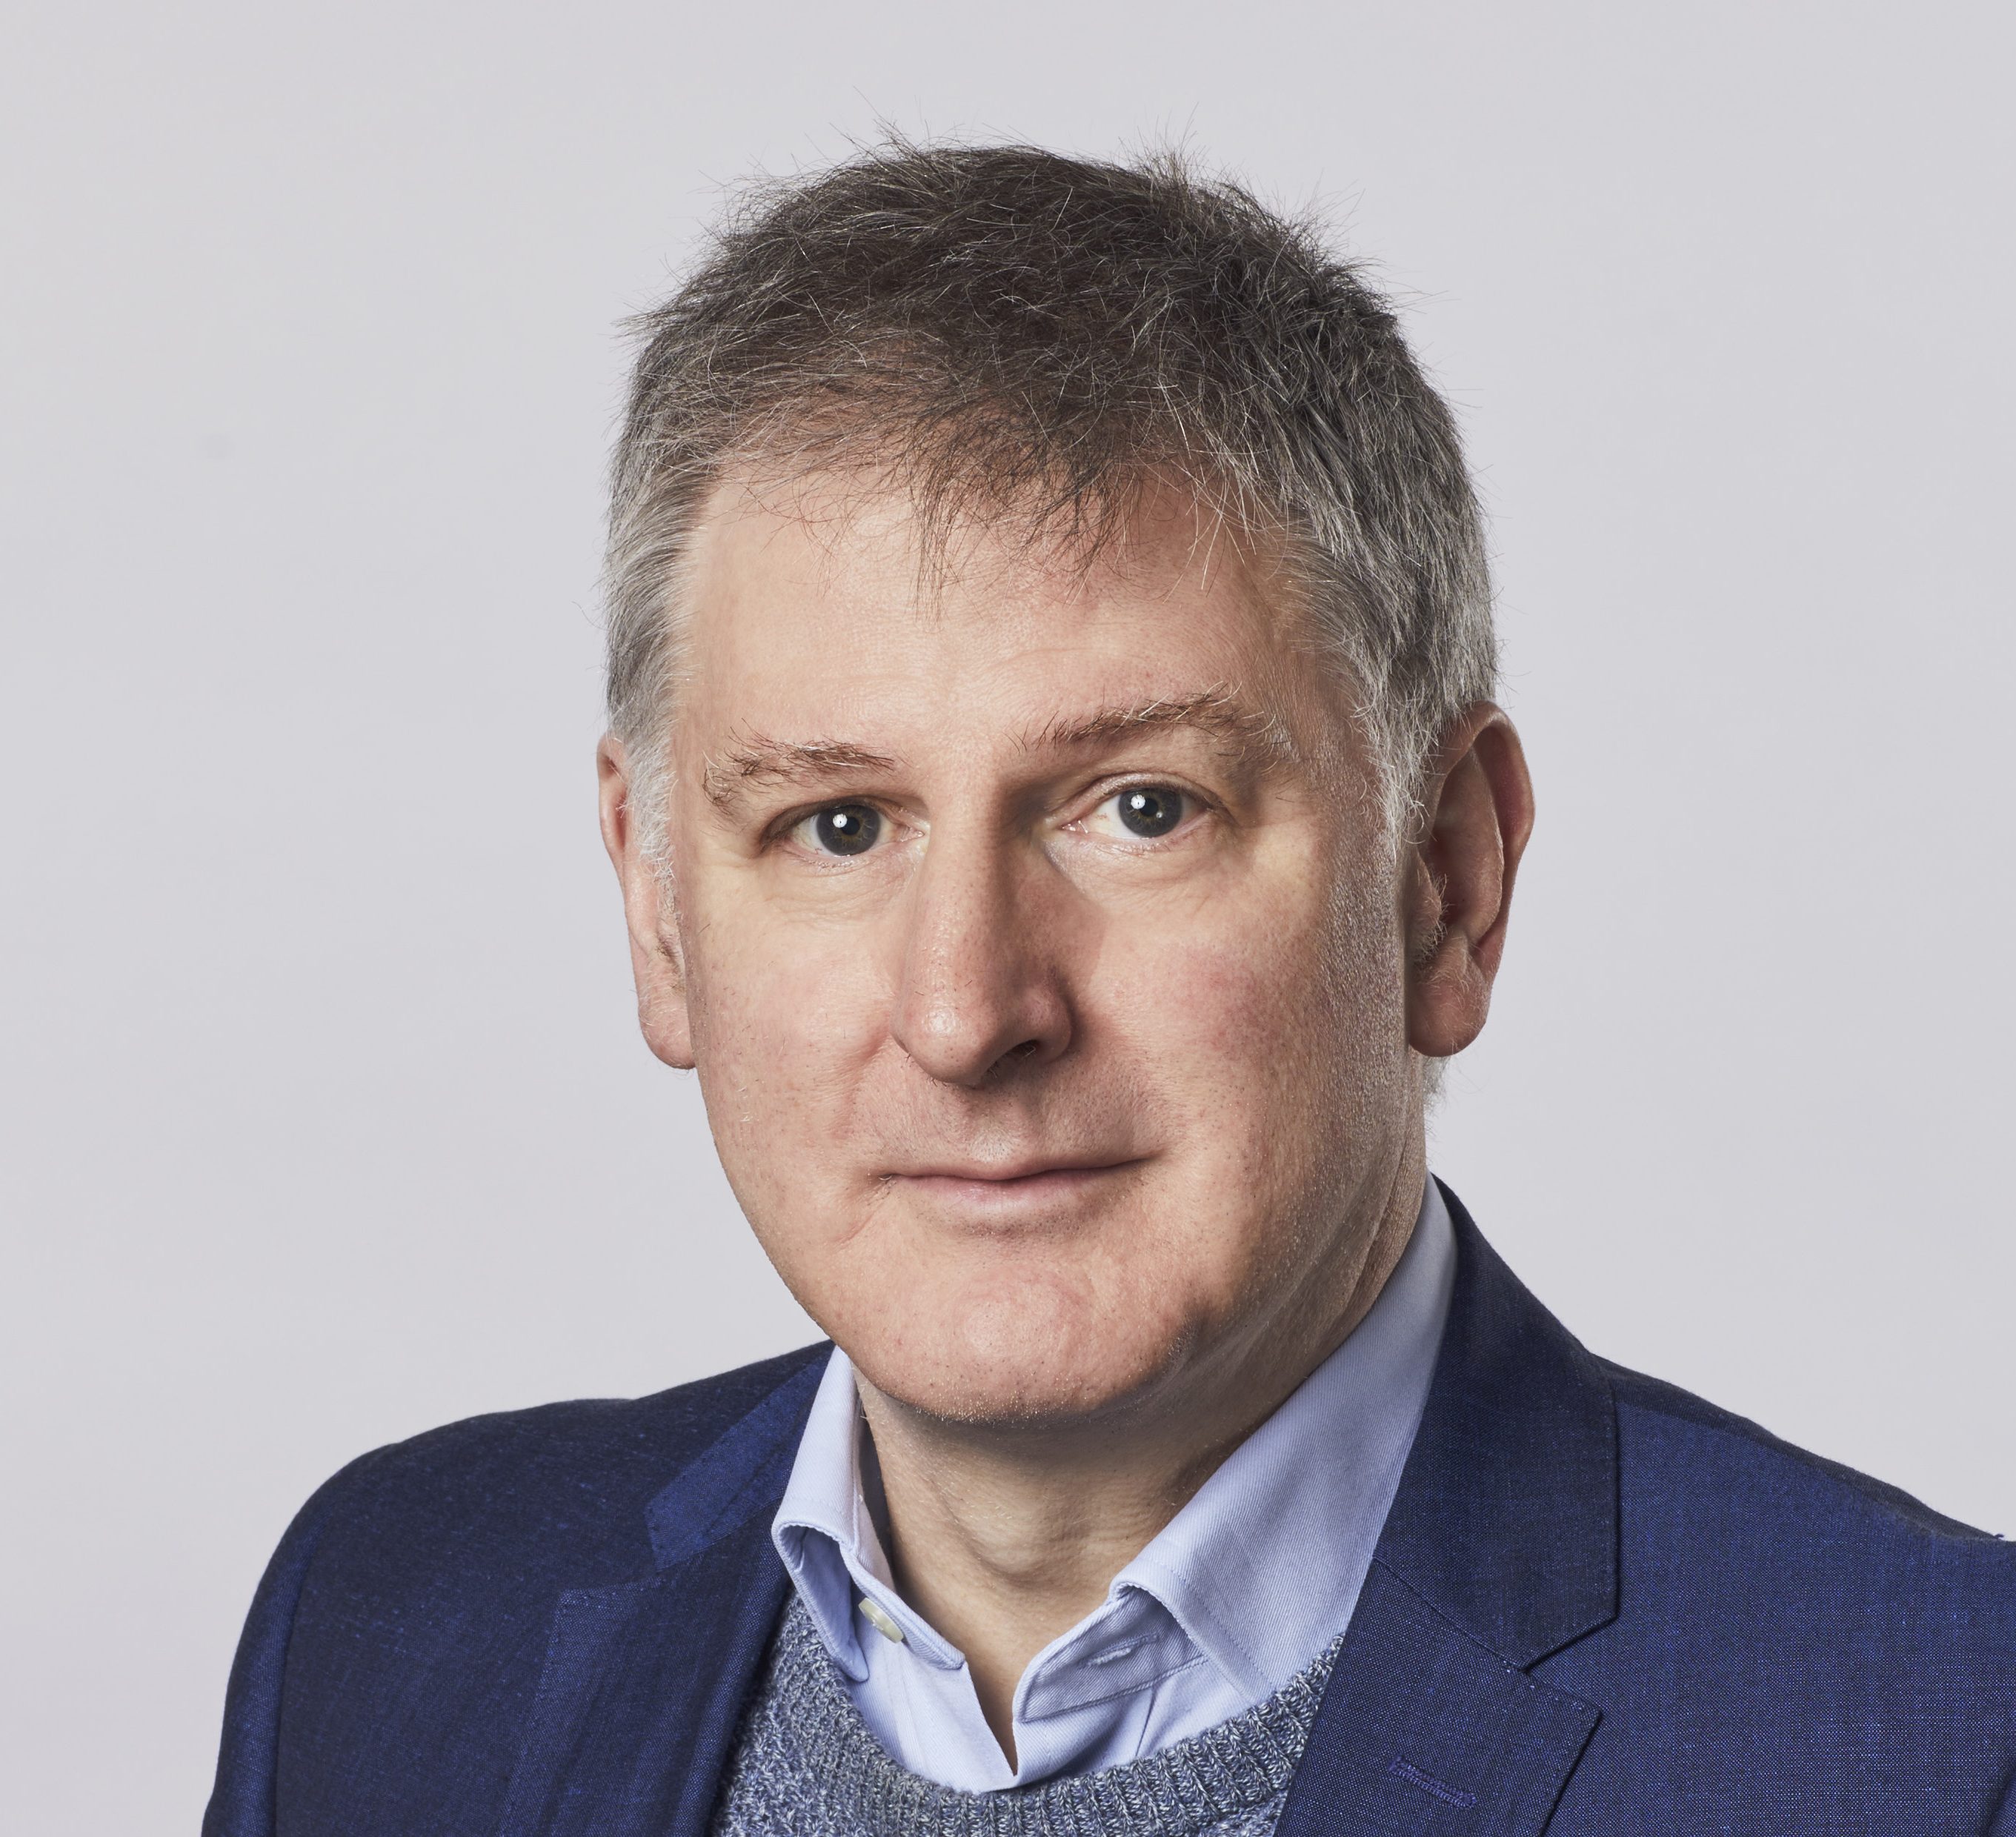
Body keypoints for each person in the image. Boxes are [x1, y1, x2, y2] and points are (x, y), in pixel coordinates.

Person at [202, 143, 2016, 1837]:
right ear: (656, 903)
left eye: (1142, 809)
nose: (965, 1011)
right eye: (838, 824)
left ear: (1446, 881)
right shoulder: (393, 1624)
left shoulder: (1935, 1746)